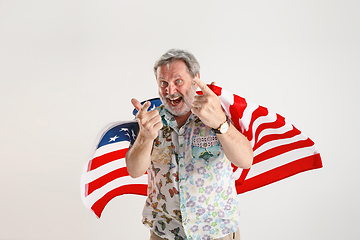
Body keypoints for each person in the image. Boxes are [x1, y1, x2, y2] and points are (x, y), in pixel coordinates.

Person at [125, 49, 253, 240]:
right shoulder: (150, 120)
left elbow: (245, 160)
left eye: (178, 81)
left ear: (196, 79)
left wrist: (220, 123)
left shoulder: (218, 112)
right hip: (165, 232)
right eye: (163, 83)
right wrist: (145, 137)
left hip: (216, 232)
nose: (170, 91)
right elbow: (134, 170)